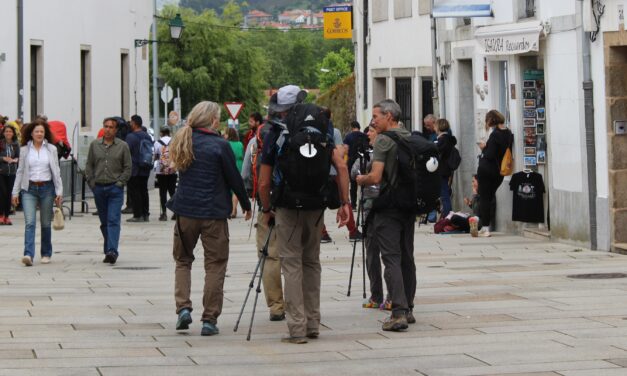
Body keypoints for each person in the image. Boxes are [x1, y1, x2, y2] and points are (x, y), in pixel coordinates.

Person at [258, 85, 351, 344]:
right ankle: (313, 323)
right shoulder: (323, 129)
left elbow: (264, 182)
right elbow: (341, 167)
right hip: (316, 205)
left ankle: (296, 328)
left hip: (287, 206)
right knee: (312, 262)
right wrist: (345, 202)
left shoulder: (275, 133)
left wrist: (267, 209)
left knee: (291, 263)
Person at [167, 101, 252, 337]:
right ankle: (209, 319)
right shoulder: (220, 145)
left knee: (183, 260)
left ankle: (183, 307)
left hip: (185, 211)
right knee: (215, 265)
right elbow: (234, 178)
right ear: (213, 120)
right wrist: (246, 205)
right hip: (214, 213)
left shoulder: (183, 140)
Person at [356, 99, 417, 332]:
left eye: (376, 116)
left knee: (391, 257)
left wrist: (362, 179)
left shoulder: (383, 140)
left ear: (389, 116)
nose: (373, 121)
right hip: (408, 205)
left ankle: (398, 312)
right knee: (407, 257)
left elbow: (377, 176)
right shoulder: (408, 136)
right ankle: (409, 307)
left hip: (389, 207)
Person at [11, 119, 63, 266]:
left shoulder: (51, 149)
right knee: (30, 222)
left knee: (46, 223)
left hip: (47, 188)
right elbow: (20, 172)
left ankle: (46, 253)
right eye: (36, 132)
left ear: (45, 133)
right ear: (31, 134)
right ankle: (28, 254)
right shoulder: (24, 150)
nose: (39, 134)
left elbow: (57, 172)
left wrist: (59, 191)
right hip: (29, 189)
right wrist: (15, 193)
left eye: (42, 131)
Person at [352, 124, 391, 310]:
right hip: (372, 208)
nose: (367, 133)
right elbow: (353, 172)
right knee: (373, 253)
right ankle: (378, 295)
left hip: (380, 206)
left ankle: (387, 296)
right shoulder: (366, 153)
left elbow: (358, 174)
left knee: (386, 254)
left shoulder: (383, 152)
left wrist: (366, 172)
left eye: (372, 130)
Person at [85, 118, 132, 264]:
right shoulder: (94, 145)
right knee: (104, 221)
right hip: (99, 187)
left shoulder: (123, 146)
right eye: (106, 126)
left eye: (111, 127)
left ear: (116, 130)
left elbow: (128, 167)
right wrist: (91, 182)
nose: (108, 129)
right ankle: (108, 249)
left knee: (113, 220)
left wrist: (120, 183)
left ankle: (112, 250)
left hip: (115, 189)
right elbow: (89, 165)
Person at [476, 110, 513, 237]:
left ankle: (485, 227)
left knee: (484, 198)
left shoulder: (495, 134)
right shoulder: (508, 133)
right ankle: (484, 226)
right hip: (500, 172)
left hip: (487, 169)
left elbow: (490, 154)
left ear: (491, 120)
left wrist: (483, 148)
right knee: (489, 197)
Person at [125, 115, 152, 222]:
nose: (130, 124)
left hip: (134, 168)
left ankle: (137, 215)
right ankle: (146, 214)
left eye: (131, 122)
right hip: (145, 167)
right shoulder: (147, 136)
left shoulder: (131, 137)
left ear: (135, 123)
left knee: (135, 192)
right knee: (144, 191)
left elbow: (126, 151)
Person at [434, 118, 458, 218]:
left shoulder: (442, 140)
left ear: (439, 127)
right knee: (444, 194)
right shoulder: (447, 139)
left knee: (444, 194)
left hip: (442, 170)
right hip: (445, 169)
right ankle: (446, 215)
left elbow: (437, 152)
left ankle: (448, 216)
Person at [343, 121, 369, 208]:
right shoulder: (365, 136)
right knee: (364, 181)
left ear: (352, 127)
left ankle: (353, 204)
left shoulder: (348, 137)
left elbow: (346, 150)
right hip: (364, 161)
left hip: (352, 161)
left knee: (353, 183)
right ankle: (363, 203)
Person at [154, 127, 177, 221]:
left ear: (162, 133)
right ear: (169, 133)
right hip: (172, 169)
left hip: (161, 170)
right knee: (172, 192)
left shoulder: (157, 143)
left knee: (162, 192)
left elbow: (155, 155)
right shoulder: (175, 142)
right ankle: (176, 212)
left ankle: (163, 214)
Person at [0, 124, 20, 225]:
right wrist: (3, 158)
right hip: (1, 172)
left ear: (13, 133)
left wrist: (16, 160)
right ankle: (1, 215)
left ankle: (7, 216)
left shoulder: (16, 144)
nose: (8, 133)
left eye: (10, 132)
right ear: (3, 133)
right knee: (2, 193)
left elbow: (18, 156)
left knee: (9, 195)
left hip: (12, 172)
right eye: (6, 131)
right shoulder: (1, 143)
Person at [224, 127, 244, 218]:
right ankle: (234, 208)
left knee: (229, 188)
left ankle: (232, 210)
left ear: (229, 135)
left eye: (225, 133)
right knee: (236, 188)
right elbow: (242, 155)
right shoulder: (240, 144)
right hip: (239, 165)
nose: (224, 135)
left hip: (230, 164)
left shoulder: (226, 144)